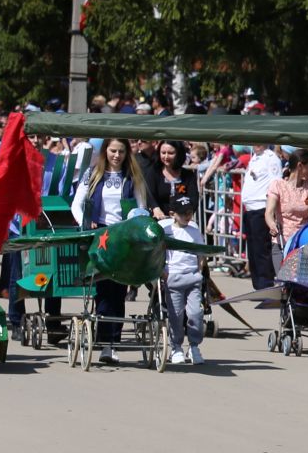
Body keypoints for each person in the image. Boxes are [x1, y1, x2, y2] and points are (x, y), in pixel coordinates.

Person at [72, 137, 150, 365]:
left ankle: (110, 342)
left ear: (127, 154)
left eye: (121, 152)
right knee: (103, 286)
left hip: (123, 236)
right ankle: (105, 338)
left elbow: (141, 207)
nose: (116, 155)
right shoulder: (93, 174)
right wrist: (86, 223)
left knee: (118, 289)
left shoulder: (132, 177)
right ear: (105, 151)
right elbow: (76, 204)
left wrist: (134, 225)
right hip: (101, 236)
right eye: (113, 151)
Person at [160, 194, 207, 365]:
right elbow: (159, 255)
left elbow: (201, 254)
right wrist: (164, 273)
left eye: (190, 212)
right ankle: (176, 348)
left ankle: (194, 346)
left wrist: (199, 272)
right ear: (173, 213)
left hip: (192, 278)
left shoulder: (194, 231)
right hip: (173, 278)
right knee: (176, 315)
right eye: (183, 213)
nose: (187, 216)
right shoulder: (166, 232)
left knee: (196, 313)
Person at [239, 142, 283, 290]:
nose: (256, 145)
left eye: (259, 142)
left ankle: (265, 285)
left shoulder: (271, 158)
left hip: (261, 207)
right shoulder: (255, 158)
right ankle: (257, 284)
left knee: (262, 249)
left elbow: (275, 182)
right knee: (252, 249)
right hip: (249, 208)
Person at [269, 150, 308, 254]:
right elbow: (269, 213)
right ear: (300, 166)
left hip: (303, 243)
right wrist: (272, 225)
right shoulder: (278, 185)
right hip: (282, 243)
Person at [146, 141, 198, 220]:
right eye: (163, 153)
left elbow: (193, 199)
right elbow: (149, 195)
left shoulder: (188, 175)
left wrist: (185, 214)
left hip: (183, 220)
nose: (166, 157)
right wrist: (155, 208)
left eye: (170, 153)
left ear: (178, 154)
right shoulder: (153, 172)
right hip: (159, 220)